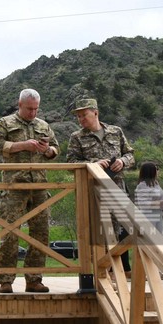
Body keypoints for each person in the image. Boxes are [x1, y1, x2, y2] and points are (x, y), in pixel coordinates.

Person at [0, 89, 59, 294]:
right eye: (29, 109)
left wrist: (47, 150)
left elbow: (55, 149)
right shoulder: (5, 123)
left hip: (39, 186)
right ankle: (6, 280)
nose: (33, 113)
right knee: (10, 233)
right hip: (14, 186)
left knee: (40, 234)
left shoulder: (43, 125)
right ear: (19, 105)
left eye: (36, 109)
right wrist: (22, 145)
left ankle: (34, 279)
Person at [66, 97, 135, 275]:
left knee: (124, 229)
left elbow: (131, 154)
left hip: (118, 189)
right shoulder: (77, 137)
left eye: (84, 115)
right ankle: (102, 271)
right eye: (78, 116)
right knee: (99, 231)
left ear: (95, 113)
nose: (81, 119)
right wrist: (94, 163)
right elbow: (71, 162)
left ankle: (120, 269)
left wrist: (122, 161)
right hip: (92, 191)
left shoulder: (116, 131)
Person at [134, 162, 163, 235]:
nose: (158, 171)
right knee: (150, 241)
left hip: (159, 215)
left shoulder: (155, 183)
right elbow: (143, 204)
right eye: (156, 169)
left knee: (159, 240)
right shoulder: (142, 186)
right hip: (148, 217)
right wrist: (159, 203)